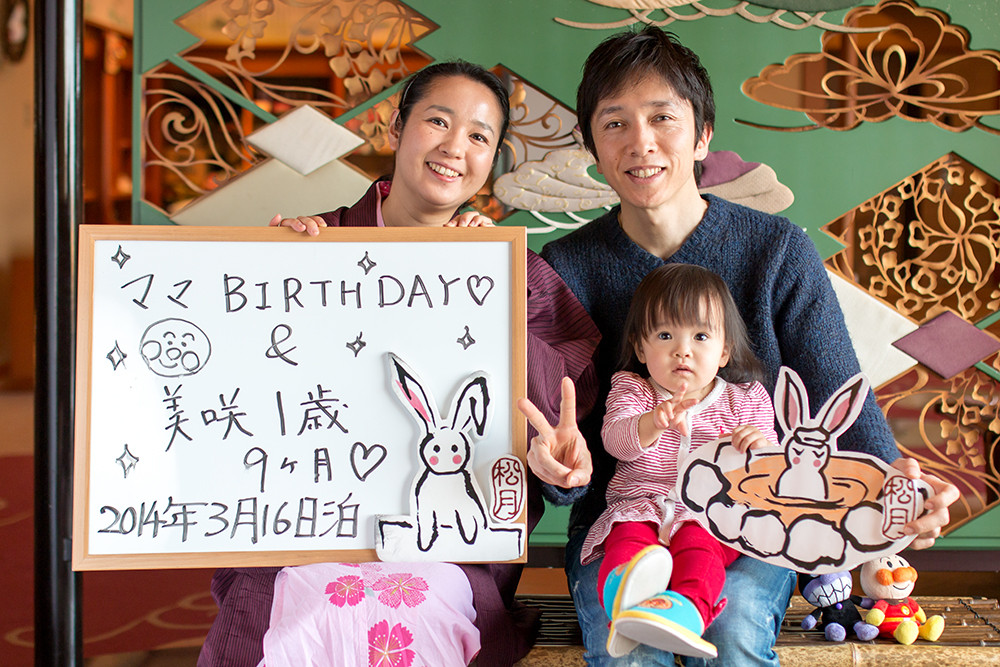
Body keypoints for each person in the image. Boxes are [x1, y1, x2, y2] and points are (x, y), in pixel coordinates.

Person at [518, 26, 960, 666]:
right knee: (625, 644)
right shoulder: (563, 265)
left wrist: (897, 491)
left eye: (663, 118)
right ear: (591, 144)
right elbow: (565, 438)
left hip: (753, 519)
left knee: (733, 632)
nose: (640, 142)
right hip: (624, 523)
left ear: (702, 135)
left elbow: (837, 392)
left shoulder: (777, 250)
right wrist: (560, 475)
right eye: (614, 123)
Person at [197, 60, 601, 667]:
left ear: (492, 159)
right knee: (298, 611)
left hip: (444, 541)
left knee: (413, 610)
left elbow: (554, 419)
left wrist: (482, 285)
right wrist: (272, 277)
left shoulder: (509, 271)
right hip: (307, 532)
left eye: (478, 136)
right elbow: (235, 393)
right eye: (437, 121)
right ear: (395, 127)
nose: (454, 147)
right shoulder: (313, 244)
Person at [584, 263, 778, 660]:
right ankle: (623, 599)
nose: (682, 350)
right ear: (640, 348)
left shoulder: (745, 400)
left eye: (701, 336)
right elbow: (615, 441)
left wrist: (758, 450)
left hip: (711, 514)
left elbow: (774, 476)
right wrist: (652, 422)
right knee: (628, 545)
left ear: (724, 351)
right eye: (665, 335)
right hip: (641, 507)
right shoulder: (633, 390)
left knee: (701, 553)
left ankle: (686, 612)